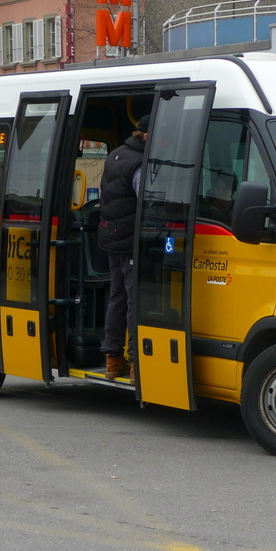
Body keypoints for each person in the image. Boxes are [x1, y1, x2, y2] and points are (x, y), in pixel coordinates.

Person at [97, 114, 149, 381]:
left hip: (111, 236)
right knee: (134, 300)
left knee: (117, 296)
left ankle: (112, 359)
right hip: (128, 240)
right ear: (147, 136)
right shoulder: (139, 164)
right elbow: (146, 201)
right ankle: (134, 363)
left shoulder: (116, 154)